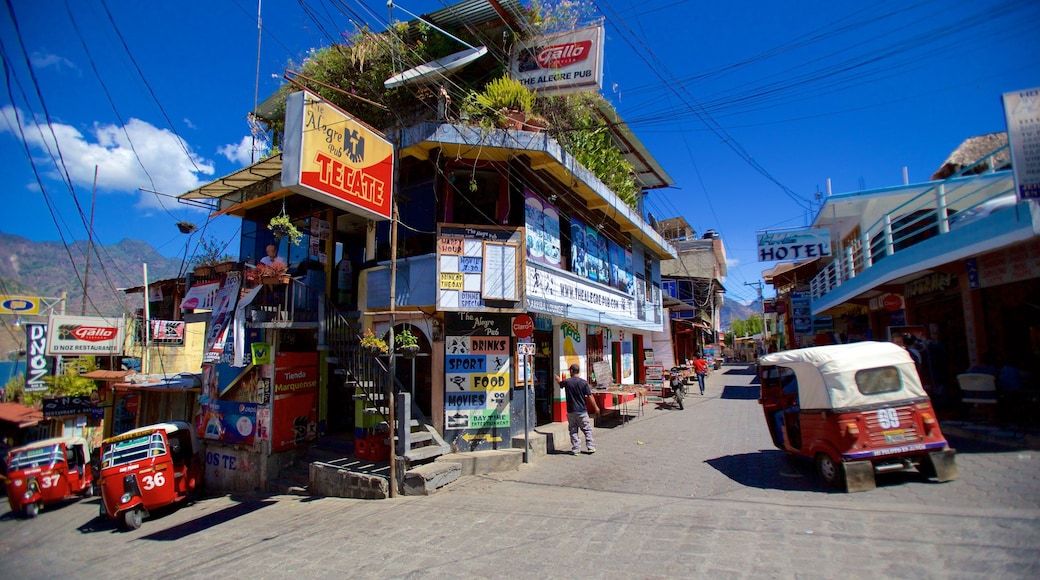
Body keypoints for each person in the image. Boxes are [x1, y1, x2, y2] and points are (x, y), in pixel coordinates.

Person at [556, 363, 596, 455]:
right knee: (587, 429)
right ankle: (590, 447)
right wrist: (596, 407)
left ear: (571, 371)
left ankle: (576, 449)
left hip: (571, 411)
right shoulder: (583, 382)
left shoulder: (567, 382)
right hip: (582, 411)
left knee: (573, 430)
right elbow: (589, 396)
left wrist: (558, 380)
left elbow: (561, 384)